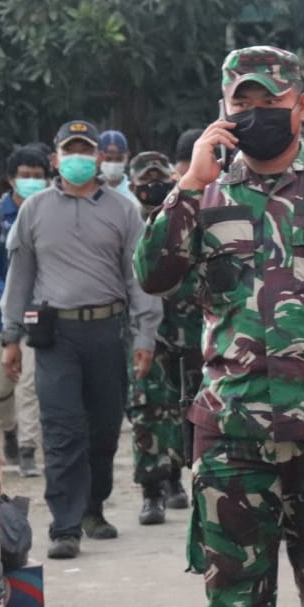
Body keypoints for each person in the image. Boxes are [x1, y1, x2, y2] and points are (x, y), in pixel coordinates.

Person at [135, 46, 304, 607]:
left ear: (301, 105)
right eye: (244, 102)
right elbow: (153, 275)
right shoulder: (203, 192)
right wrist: (188, 183)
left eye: (272, 101)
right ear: (223, 110)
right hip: (231, 429)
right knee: (235, 603)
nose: (257, 112)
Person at [0, 119, 163, 561]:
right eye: (69, 151)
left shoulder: (123, 210)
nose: (78, 158)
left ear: (97, 157)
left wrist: (145, 334)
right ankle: (65, 525)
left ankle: (94, 507)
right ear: (55, 159)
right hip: (56, 336)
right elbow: (20, 278)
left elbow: (139, 279)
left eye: (85, 151)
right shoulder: (33, 212)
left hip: (107, 332)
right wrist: (10, 337)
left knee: (105, 427)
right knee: (62, 429)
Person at [125, 151, 194, 526]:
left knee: (188, 409)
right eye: (144, 180)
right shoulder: (126, 219)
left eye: (160, 179)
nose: (153, 186)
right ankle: (151, 491)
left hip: (188, 326)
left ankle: (177, 479)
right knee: (147, 408)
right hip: (142, 331)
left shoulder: (183, 217)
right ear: (133, 185)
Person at [0, 146, 49, 478]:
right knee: (0, 387)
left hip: (38, 315)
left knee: (30, 384)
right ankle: (8, 431)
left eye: (38, 176)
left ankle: (29, 448)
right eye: (26, 176)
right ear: (11, 179)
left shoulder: (49, 214)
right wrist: (8, 302)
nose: (31, 181)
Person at [98, 129, 139, 202]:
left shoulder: (135, 192)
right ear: (98, 158)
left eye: (119, 159)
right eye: (108, 159)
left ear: (127, 157)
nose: (113, 163)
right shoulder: (88, 190)